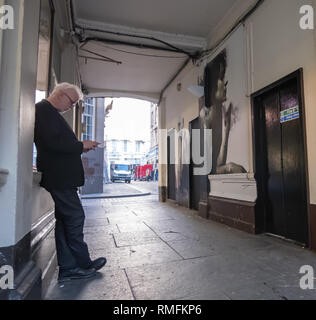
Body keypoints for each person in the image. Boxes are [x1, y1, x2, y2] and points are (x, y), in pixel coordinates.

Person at [34, 83, 107, 283]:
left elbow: (57, 144)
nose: (72, 106)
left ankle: (69, 267)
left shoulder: (49, 112)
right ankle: (82, 264)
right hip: (59, 177)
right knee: (75, 218)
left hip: (61, 177)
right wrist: (80, 145)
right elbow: (53, 143)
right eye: (72, 101)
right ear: (60, 93)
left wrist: (80, 147)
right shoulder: (43, 110)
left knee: (65, 222)